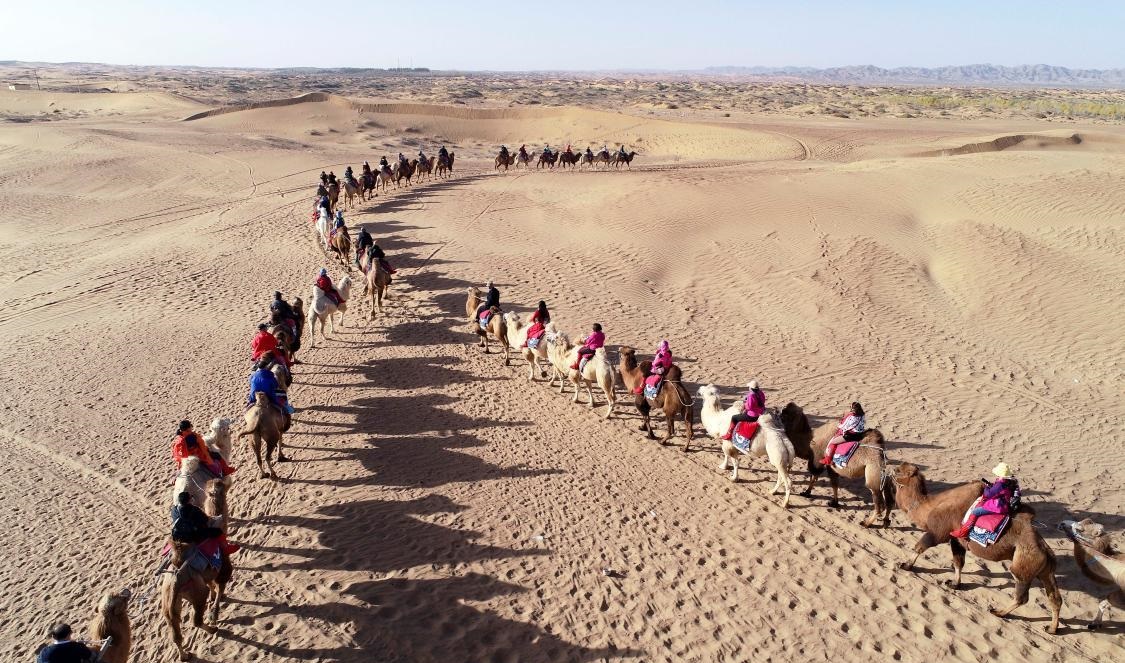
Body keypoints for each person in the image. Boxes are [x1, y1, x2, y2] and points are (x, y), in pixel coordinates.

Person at [950, 463, 1021, 539]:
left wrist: (987, 487)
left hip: (999, 507)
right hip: (1006, 504)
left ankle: (963, 532)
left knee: (975, 511)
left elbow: (988, 494)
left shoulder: (1000, 484)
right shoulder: (1012, 482)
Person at [171, 490, 238, 555]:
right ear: (189, 500)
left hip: (178, 535)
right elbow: (205, 520)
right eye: (191, 497)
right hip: (192, 536)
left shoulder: (174, 510)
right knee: (218, 531)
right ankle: (226, 549)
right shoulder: (194, 509)